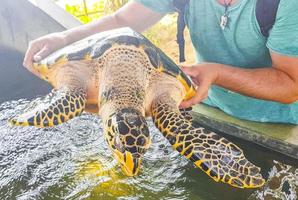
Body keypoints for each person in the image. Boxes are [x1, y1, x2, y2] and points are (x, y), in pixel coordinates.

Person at [23, 0, 298, 124]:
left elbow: (290, 85)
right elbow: (121, 21)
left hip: (279, 122)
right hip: (211, 106)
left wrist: (216, 73)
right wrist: (64, 37)